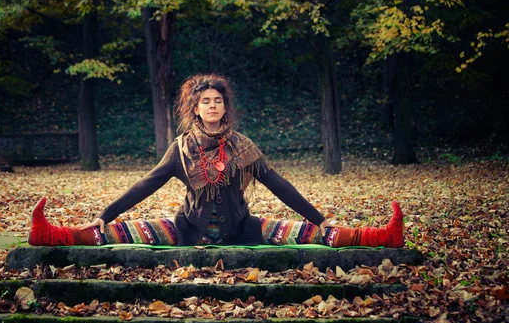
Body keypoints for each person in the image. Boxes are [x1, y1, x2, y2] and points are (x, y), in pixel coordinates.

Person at [28, 74, 404, 248]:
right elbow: (146, 183)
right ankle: (51, 235)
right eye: (205, 101)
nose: (212, 105)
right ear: (195, 108)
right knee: (116, 234)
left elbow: (279, 185)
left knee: (313, 235)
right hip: (186, 230)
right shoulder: (181, 148)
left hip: (243, 229)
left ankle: (382, 237)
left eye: (218, 100)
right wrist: (106, 214)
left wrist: (321, 218)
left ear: (225, 107)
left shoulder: (243, 146)